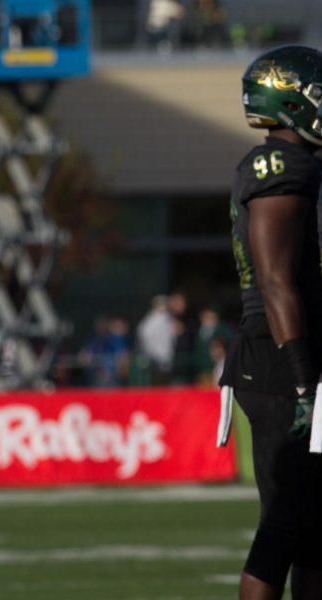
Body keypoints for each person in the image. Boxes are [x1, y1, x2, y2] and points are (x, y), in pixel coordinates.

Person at [219, 45, 322, 599]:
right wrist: (307, 381)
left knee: (314, 532)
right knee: (285, 522)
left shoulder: (304, 166)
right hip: (282, 360)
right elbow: (276, 281)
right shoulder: (282, 165)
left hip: (289, 354)